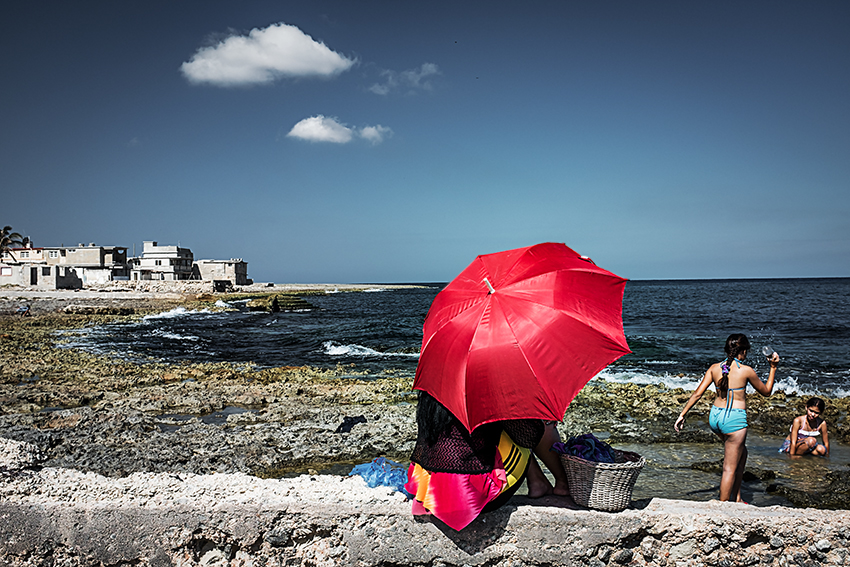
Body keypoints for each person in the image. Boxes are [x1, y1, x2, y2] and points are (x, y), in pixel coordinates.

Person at [405, 391, 569, 530]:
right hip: (469, 500)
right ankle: (562, 483)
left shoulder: (433, 384)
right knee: (541, 424)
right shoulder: (487, 383)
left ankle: (538, 481)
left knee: (496, 432)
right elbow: (529, 435)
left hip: (428, 493)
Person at [674, 334, 779, 502]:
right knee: (728, 469)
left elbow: (697, 394)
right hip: (733, 420)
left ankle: (737, 498)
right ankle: (722, 509)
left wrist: (682, 414)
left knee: (742, 454)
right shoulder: (746, 371)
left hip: (715, 418)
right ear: (743, 351)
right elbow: (766, 392)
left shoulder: (715, 368)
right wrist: (773, 368)